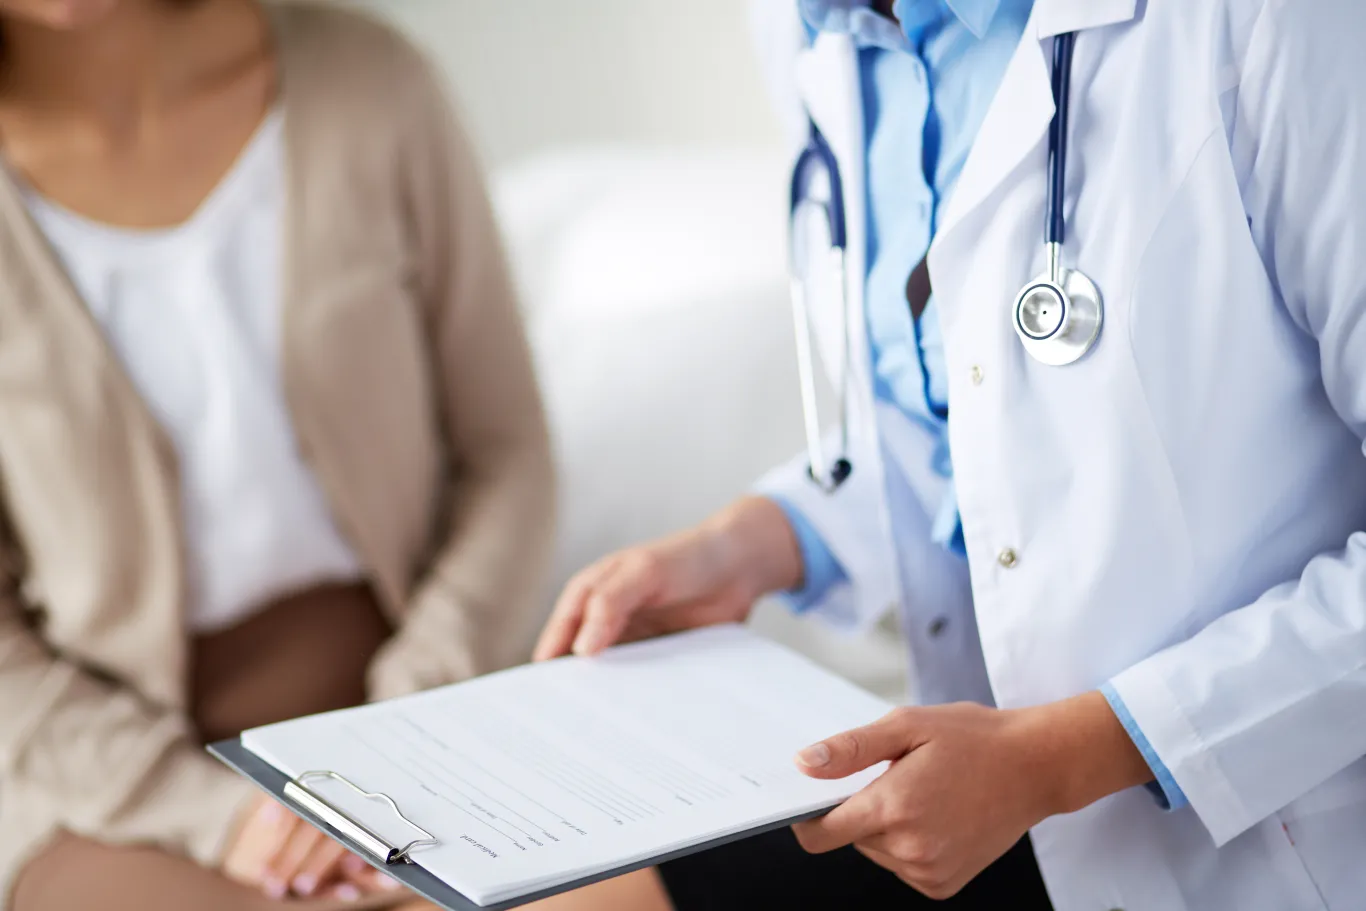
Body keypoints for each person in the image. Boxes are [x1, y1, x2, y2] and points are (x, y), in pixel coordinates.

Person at [532, 0, 1366, 909]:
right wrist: (758, 541)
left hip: (1271, 835)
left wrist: (1061, 757)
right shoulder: (810, 28)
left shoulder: (1272, 21)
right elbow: (965, 419)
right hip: (980, 803)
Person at [0, 0, 554, 908]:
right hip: (110, 785)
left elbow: (509, 456)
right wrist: (223, 818)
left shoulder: (372, 85)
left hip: (429, 701)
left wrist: (411, 727)